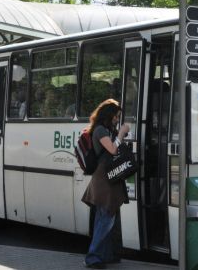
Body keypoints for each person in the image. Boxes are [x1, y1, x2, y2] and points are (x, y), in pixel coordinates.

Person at [81, 99, 130, 269]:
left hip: (109, 176)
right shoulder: (100, 130)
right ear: (108, 114)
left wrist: (119, 133)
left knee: (106, 216)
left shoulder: (106, 129)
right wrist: (121, 133)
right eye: (116, 116)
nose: (117, 119)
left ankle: (106, 254)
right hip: (104, 177)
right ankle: (93, 257)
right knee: (106, 218)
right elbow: (112, 149)